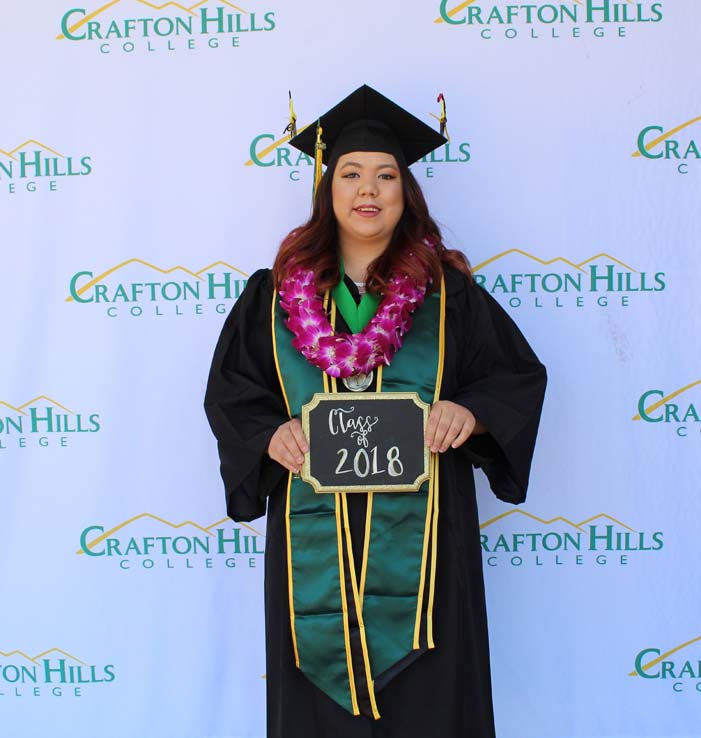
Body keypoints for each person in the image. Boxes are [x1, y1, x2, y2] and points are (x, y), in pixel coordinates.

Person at [205, 85, 547, 738]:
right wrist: (267, 434)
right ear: (327, 190)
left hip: (429, 543)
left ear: (405, 192)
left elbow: (513, 378)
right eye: (352, 174)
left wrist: (467, 415)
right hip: (312, 536)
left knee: (430, 696)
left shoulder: (449, 297)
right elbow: (232, 394)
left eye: (386, 176)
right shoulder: (273, 297)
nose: (369, 190)